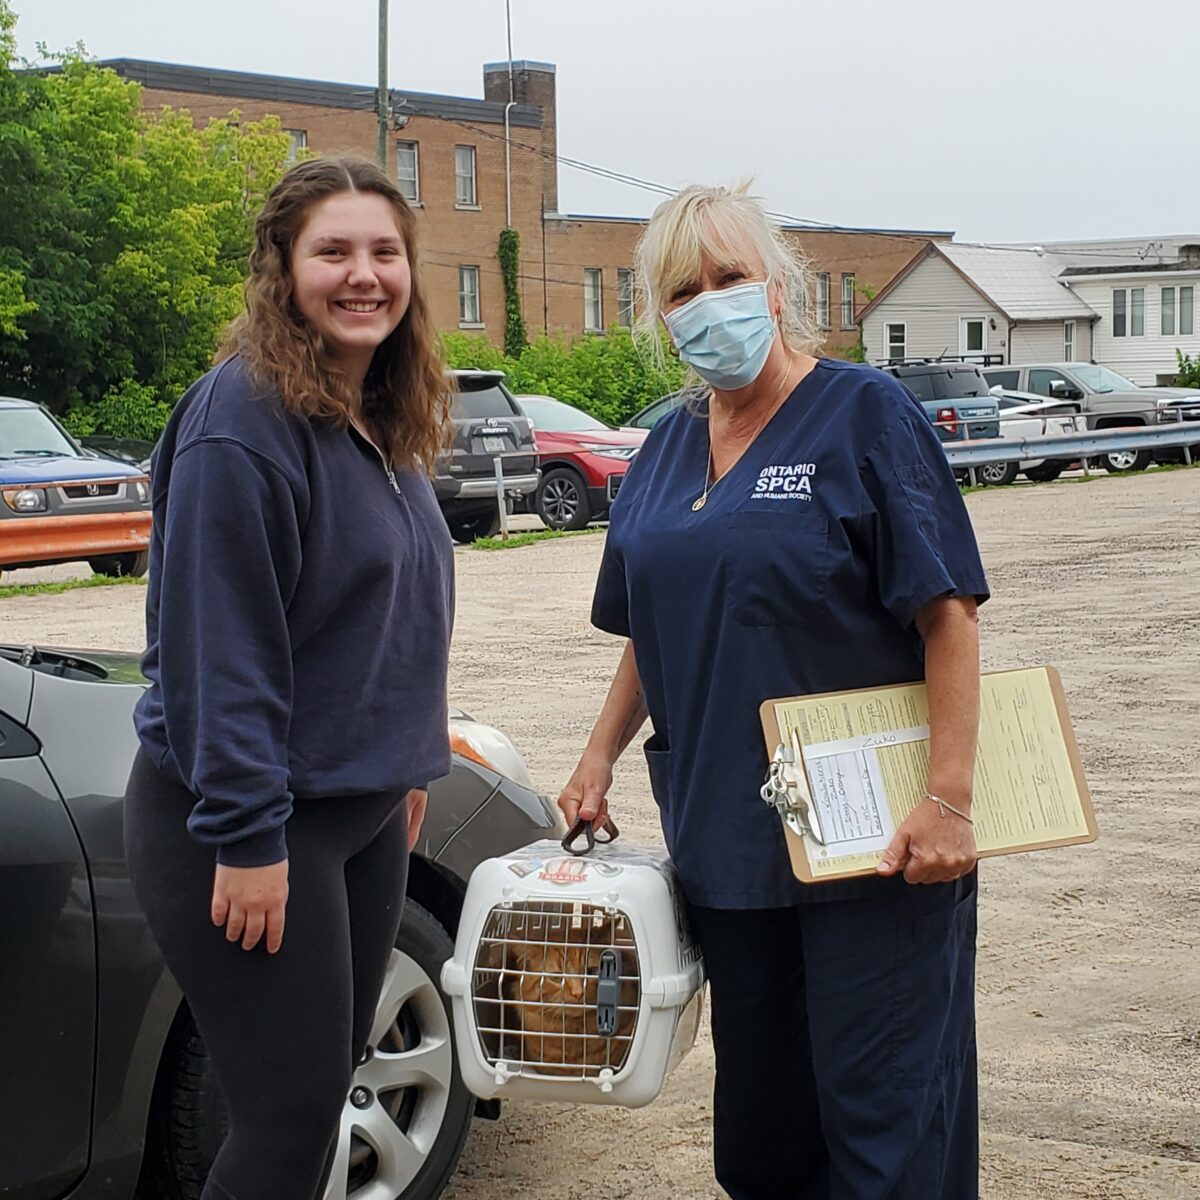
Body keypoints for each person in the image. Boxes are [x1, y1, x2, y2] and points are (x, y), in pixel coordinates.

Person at [559, 183, 989, 1200]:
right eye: (683, 290)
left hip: (875, 848)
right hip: (729, 846)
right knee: (761, 1143)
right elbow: (651, 627)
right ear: (660, 317)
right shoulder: (664, 448)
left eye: (729, 278)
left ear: (779, 288)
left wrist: (951, 799)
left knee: (883, 1133)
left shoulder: (864, 416)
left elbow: (949, 614)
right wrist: (597, 754)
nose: (710, 303)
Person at [124, 155, 454, 1200]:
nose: (365, 276)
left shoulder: (374, 416)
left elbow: (387, 622)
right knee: (285, 1120)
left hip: (355, 814)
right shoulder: (244, 422)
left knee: (315, 1108)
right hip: (251, 825)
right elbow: (223, 649)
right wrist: (249, 834)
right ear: (282, 269)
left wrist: (402, 765)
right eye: (334, 252)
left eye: (385, 252)